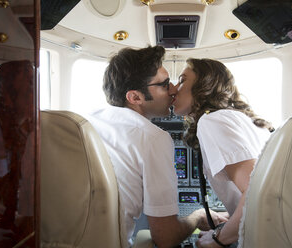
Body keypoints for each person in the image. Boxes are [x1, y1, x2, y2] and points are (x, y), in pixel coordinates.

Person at [87, 46, 224, 248]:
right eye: (164, 84)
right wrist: (197, 216)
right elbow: (166, 238)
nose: (173, 90)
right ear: (135, 97)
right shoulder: (152, 137)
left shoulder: (89, 120)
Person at [171, 58, 273, 247]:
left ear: (205, 84)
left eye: (182, 80)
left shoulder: (213, 121)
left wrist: (218, 239)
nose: (174, 88)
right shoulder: (239, 118)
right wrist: (230, 216)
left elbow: (255, 191)